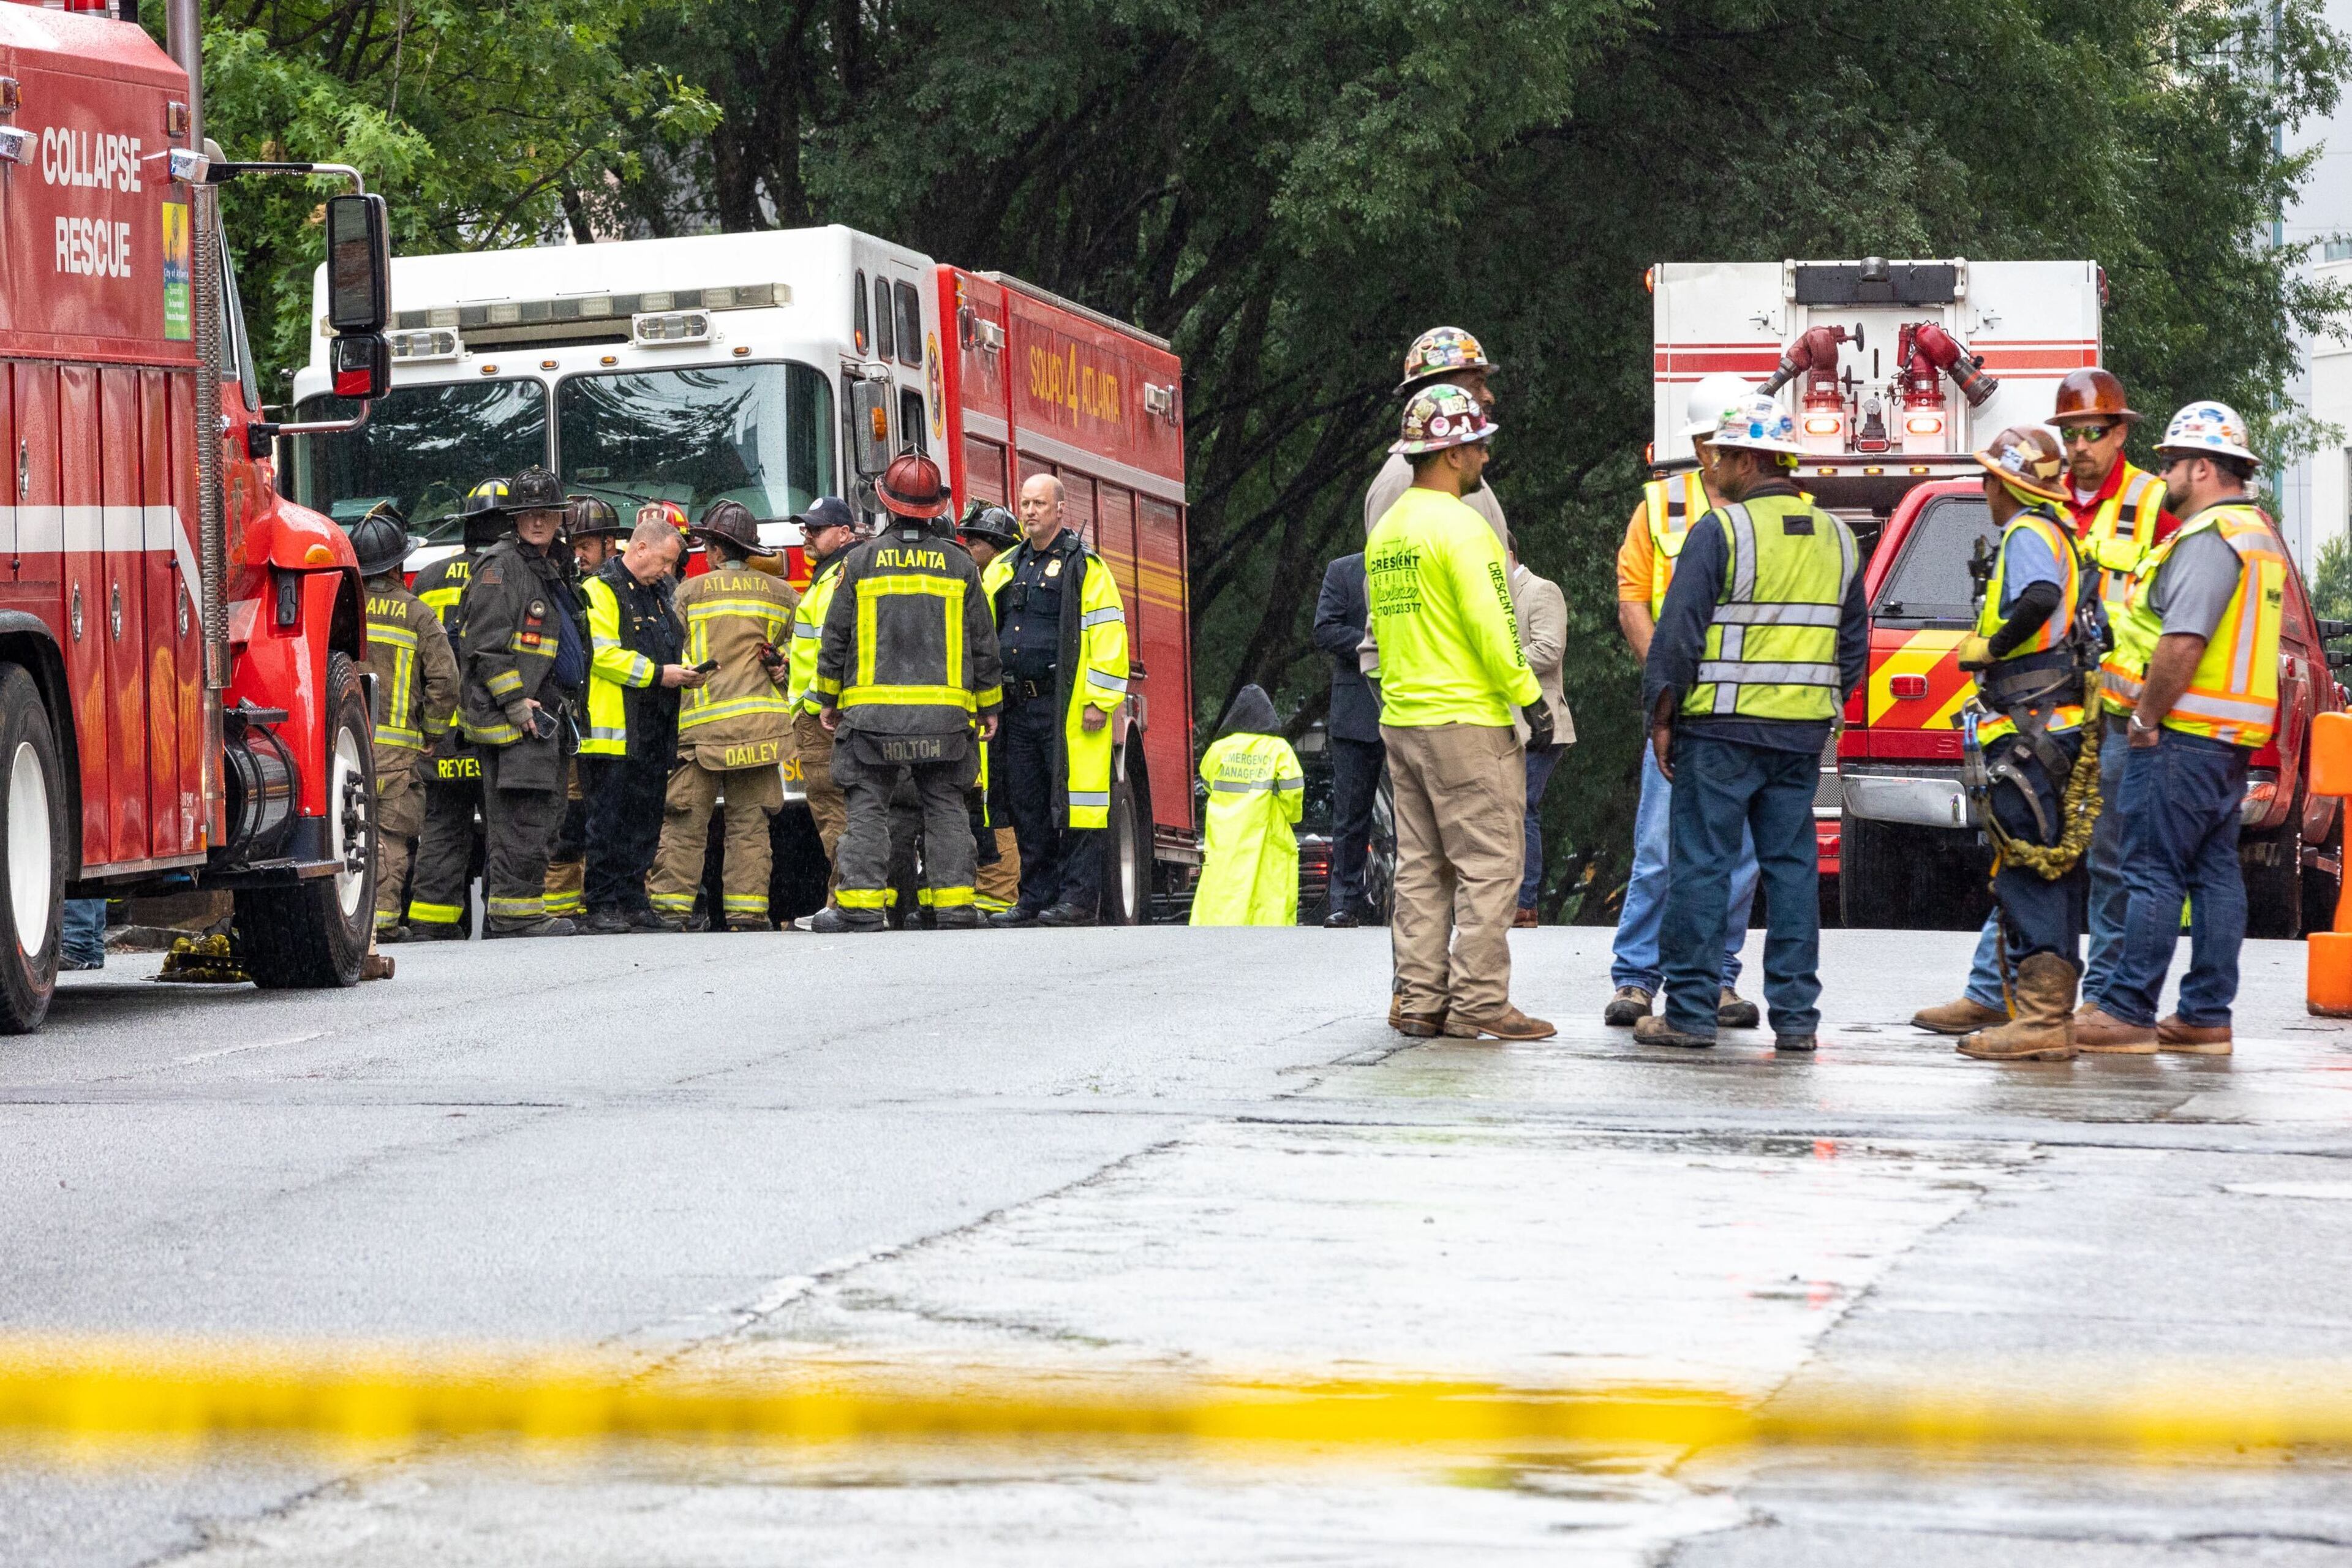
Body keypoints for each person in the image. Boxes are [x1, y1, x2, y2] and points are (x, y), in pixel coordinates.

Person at [1915, 368, 2183, 1037]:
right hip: (2065, 708)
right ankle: (1999, 990)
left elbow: (2184, 609)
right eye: (2071, 433)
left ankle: (2102, 1005)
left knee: (2106, 858)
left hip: (2125, 708)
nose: (2081, 445)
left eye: (2094, 431)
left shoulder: (2152, 504)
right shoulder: (2051, 506)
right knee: (2032, 850)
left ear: (2120, 433)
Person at [1637, 394, 1867, 1054]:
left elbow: (1677, 634)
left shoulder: (1723, 530)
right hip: (1798, 738)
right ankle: (1796, 1020)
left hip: (1720, 734)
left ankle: (1687, 1011)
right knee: (1793, 873)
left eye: (1722, 454)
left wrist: (1662, 713)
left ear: (1748, 459)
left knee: (1702, 867)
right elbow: (1852, 644)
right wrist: (1819, 702)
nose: (1714, 466)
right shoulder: (1839, 538)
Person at [2075, 402, 2287, 1057]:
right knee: (2214, 874)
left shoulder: (2209, 537)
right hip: (2224, 738)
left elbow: (2183, 641)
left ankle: (2126, 1010)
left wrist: (2144, 717)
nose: (2163, 473)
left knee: (2150, 872)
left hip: (2180, 734)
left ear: (2202, 467)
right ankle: (2204, 1015)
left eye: (2171, 462)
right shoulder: (2256, 535)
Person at [1368, 383, 1555, 1041]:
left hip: (1404, 716)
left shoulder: (1389, 531)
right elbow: (1494, 626)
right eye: (1477, 443)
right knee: (1491, 863)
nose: (1485, 455)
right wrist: (1531, 699)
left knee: (1421, 866)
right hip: (1467, 720)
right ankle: (1480, 1001)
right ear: (1449, 453)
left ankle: (1421, 999)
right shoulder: (1464, 527)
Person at [1608, 374, 1764, 1029]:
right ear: (1699, 445)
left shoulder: (1777, 508)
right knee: (1659, 848)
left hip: (1749, 708)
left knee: (1738, 854)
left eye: (1726, 443)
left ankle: (1718, 978)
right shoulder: (1663, 507)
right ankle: (1638, 978)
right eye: (1708, 443)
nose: (1716, 454)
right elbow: (1632, 599)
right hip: (1684, 708)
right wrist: (1666, 682)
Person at [1943, 428, 2095, 1061]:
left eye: (1987, 481)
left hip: (2035, 727)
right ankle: (2038, 1011)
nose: (1984, 492)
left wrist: (1995, 646)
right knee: (2044, 870)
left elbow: (2040, 598)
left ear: (2005, 484)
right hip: (2054, 724)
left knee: (2032, 867)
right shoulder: (2060, 531)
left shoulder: (2030, 533)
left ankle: (2039, 1020)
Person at [810, 453, 1003, 932]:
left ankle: (860, 909)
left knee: (868, 806)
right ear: (935, 508)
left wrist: (828, 701)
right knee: (946, 804)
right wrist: (990, 706)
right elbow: (984, 642)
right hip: (946, 720)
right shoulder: (960, 565)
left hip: (872, 720)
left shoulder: (859, 562)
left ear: (886, 504)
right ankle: (956, 907)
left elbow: (835, 640)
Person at [981, 472, 1130, 927]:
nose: (1029, 512)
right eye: (1024, 504)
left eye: (1039, 504)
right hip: (1016, 707)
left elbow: (1109, 636)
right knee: (1027, 805)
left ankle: (1078, 900)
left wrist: (1099, 702)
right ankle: (1033, 897)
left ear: (1061, 509)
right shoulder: (1005, 566)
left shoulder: (1085, 566)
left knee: (1079, 804)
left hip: (1067, 708)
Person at [648, 500, 798, 932]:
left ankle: (671, 912)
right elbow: (791, 658)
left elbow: (668, 653)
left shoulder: (686, 593)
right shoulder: (784, 596)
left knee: (684, 825)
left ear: (713, 549)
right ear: (749, 550)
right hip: (761, 734)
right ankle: (747, 914)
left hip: (703, 732)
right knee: (750, 827)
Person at [450, 465, 585, 938]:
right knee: (520, 816)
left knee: (544, 814)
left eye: (546, 512)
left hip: (545, 711)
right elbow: (485, 645)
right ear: (515, 517)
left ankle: (518, 908)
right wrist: (515, 704)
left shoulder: (549, 565)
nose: (538, 521)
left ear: (558, 517)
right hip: (519, 717)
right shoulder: (502, 566)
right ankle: (514, 914)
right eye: (529, 513)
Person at [576, 514, 699, 934]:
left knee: (645, 818)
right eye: (665, 561)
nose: (668, 571)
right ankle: (603, 903)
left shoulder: (659, 591)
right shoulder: (600, 590)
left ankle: (633, 900)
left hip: (652, 726)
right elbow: (603, 654)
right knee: (608, 820)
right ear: (640, 548)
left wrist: (680, 670)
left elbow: (663, 644)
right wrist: (659, 674)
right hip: (614, 730)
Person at [405, 478, 514, 939]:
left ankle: (432, 925)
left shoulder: (428, 578)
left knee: (443, 827)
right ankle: (501, 920)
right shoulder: (511, 574)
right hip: (493, 725)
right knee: (503, 829)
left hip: (441, 732)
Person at [350, 505, 459, 945]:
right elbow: (446, 680)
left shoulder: (341, 607)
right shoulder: (416, 614)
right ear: (398, 564)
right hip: (397, 752)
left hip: (343, 745)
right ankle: (382, 922)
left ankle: (352, 921)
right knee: (391, 836)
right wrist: (432, 731)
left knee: (347, 830)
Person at [543, 497, 628, 923]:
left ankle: (596, 901)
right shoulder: (562, 586)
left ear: (610, 544)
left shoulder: (618, 590)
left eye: (587, 544)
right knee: (569, 821)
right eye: (572, 543)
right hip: (570, 723)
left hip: (606, 724)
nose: (578, 553)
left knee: (604, 820)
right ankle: (563, 908)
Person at [784, 496, 862, 922]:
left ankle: (846, 903)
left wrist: (813, 704)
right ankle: (849, 899)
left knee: (834, 812)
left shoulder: (838, 580)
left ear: (845, 533)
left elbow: (837, 650)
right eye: (806, 529)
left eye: (817, 529)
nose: (807, 536)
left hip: (824, 715)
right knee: (842, 811)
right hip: (825, 708)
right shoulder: (831, 575)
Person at [1363, 327, 1507, 546]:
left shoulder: (1458, 467)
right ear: (1437, 391)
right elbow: (1393, 574)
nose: (1489, 397)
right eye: (1477, 385)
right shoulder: (1404, 478)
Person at [1191, 685, 1305, 925]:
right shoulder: (1279, 750)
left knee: (1223, 892)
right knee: (1267, 895)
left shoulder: (1219, 749)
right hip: (1268, 840)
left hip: (1225, 840)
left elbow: (1208, 783)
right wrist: (1291, 818)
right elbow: (1293, 791)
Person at [960, 503, 1025, 915]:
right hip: (982, 718)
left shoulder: (1000, 588)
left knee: (996, 802)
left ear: (999, 548)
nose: (967, 547)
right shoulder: (985, 585)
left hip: (997, 720)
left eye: (976, 542)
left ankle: (999, 890)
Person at [1313, 549, 1382, 927]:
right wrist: (1375, 642)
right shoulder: (1343, 571)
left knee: (1416, 816)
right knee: (1350, 813)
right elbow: (1325, 628)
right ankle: (1344, 902)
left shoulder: (1423, 567)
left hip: (1415, 708)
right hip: (1357, 711)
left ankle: (1421, 903)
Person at [1508, 532, 1573, 925]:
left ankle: (1525, 901)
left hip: (1542, 721)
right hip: (1509, 724)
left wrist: (1496, 660)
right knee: (1510, 809)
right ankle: (1518, 900)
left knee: (1521, 805)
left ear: (1508, 553)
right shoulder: (1493, 598)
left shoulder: (1543, 591)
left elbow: (1549, 650)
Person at [61, 900, 105, 971]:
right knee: (91, 890)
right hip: (95, 949)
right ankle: (94, 949)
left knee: (74, 889)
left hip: (76, 949)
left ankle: (76, 947)